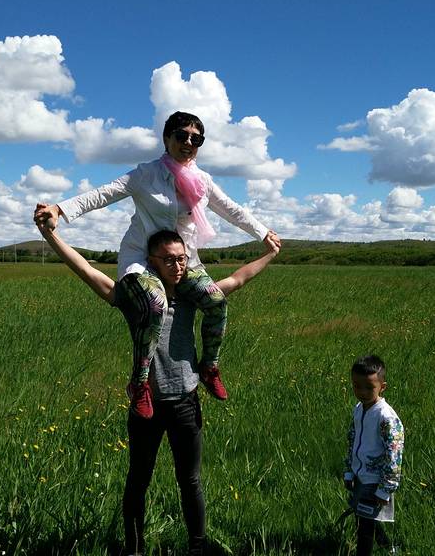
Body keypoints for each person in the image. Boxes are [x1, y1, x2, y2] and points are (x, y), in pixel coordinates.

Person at [34, 219, 279, 556]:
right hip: (147, 405)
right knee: (138, 480)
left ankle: (197, 548)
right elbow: (88, 273)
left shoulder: (192, 297)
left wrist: (270, 254)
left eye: (181, 258)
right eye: (168, 259)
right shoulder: (138, 300)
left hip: (186, 401)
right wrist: (50, 236)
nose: (177, 266)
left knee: (190, 481)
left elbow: (238, 278)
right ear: (152, 262)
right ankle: (134, 549)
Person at [34, 111, 280, 419]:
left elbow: (232, 209)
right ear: (166, 138)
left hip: (182, 259)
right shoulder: (146, 174)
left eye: (196, 139)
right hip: (143, 258)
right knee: (154, 304)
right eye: (182, 135)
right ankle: (139, 383)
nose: (188, 142)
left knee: (216, 302)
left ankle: (209, 367)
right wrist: (59, 209)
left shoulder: (202, 181)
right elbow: (102, 194)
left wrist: (263, 232)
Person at [344, 355, 404, 556]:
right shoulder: (359, 409)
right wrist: (349, 471)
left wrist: (385, 489)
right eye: (356, 386)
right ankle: (388, 547)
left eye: (369, 387)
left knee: (365, 525)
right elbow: (353, 440)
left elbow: (394, 453)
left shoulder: (386, 416)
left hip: (376, 480)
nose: (362, 392)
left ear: (382, 387)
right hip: (360, 475)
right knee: (363, 516)